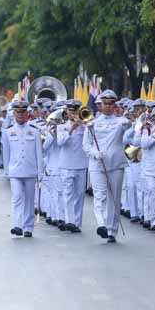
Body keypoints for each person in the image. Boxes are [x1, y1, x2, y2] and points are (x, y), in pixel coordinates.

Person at [82, 90, 132, 244]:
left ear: (114, 105)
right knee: (100, 196)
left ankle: (112, 230)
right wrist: (95, 153)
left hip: (116, 164)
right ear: (100, 105)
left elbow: (128, 124)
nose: (108, 106)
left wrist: (125, 120)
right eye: (105, 103)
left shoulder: (121, 122)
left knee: (114, 198)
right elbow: (86, 145)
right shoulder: (92, 124)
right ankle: (101, 224)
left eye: (111, 103)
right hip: (97, 164)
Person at [2, 100, 43, 238]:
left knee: (30, 199)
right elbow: (6, 152)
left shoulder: (34, 131)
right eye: (18, 112)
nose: (20, 115)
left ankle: (28, 227)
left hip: (30, 170)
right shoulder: (8, 132)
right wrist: (7, 171)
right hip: (15, 171)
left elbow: (39, 153)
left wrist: (40, 172)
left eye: (23, 112)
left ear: (27, 114)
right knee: (17, 197)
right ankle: (17, 225)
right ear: (14, 113)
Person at [57, 99, 87, 233]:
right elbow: (60, 142)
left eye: (76, 110)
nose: (73, 113)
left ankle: (77, 222)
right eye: (71, 110)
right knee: (68, 194)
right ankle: (70, 221)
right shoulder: (61, 127)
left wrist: (82, 124)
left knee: (79, 194)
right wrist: (71, 129)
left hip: (81, 164)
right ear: (67, 112)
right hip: (66, 165)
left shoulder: (85, 126)